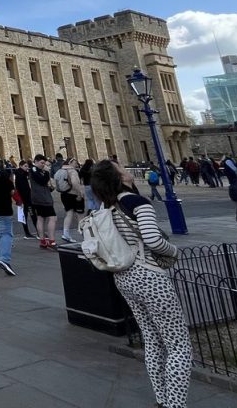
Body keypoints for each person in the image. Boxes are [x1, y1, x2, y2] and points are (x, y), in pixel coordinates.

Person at [90, 160, 190, 408]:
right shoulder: (137, 202)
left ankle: (161, 399)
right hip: (149, 276)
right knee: (178, 344)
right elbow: (153, 240)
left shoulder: (107, 206)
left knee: (151, 339)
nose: (126, 169)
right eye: (121, 168)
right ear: (120, 177)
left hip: (124, 277)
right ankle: (175, 405)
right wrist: (175, 252)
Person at [29, 154, 57, 249]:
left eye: (44, 163)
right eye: (41, 163)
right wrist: (47, 173)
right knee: (52, 218)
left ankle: (43, 241)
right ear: (36, 161)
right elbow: (42, 181)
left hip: (40, 197)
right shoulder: (34, 170)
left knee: (41, 218)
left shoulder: (38, 170)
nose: (43, 165)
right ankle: (51, 240)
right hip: (42, 198)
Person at [56, 157, 84, 243]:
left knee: (69, 213)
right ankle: (83, 234)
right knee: (80, 215)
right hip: (74, 194)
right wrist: (80, 193)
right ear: (70, 163)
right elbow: (75, 183)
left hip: (64, 194)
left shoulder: (60, 171)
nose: (76, 164)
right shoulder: (72, 171)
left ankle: (66, 233)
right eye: (75, 162)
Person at [14, 160, 38, 239]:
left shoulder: (20, 174)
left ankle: (28, 232)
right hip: (26, 199)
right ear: (21, 166)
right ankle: (38, 232)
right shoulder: (21, 174)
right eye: (25, 166)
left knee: (25, 216)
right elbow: (23, 188)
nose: (27, 168)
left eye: (27, 166)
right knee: (32, 215)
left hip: (24, 199)